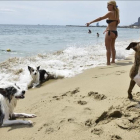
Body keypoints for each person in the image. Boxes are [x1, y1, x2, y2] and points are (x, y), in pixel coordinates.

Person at [86, 0, 120, 65]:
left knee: (108, 48)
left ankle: (108, 63)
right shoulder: (116, 13)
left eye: (108, 5)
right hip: (115, 33)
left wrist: (90, 22)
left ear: (112, 5)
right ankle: (113, 61)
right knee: (112, 47)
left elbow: (100, 18)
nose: (107, 7)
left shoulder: (110, 12)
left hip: (110, 33)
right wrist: (107, 28)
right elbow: (116, 22)